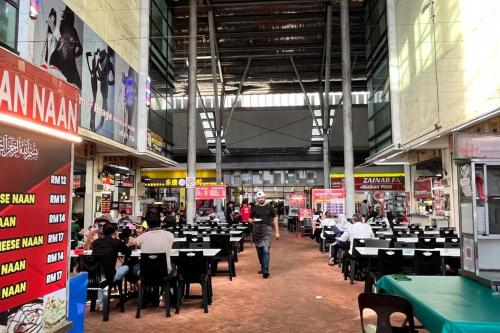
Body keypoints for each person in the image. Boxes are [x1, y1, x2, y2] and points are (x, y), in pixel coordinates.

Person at [91, 222, 131, 310]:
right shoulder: (116, 242)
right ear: (114, 232)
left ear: (102, 231)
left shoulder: (96, 243)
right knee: (126, 267)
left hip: (95, 276)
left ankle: (101, 303)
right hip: (110, 276)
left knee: (102, 273)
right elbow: (128, 252)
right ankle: (104, 300)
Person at [250, 191, 279, 279]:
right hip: (257, 231)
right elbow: (250, 218)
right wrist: (251, 221)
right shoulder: (254, 208)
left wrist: (277, 231)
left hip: (267, 230)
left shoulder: (270, 207)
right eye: (259, 198)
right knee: (259, 251)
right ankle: (263, 266)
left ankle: (265, 270)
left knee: (266, 250)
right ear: (257, 199)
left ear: (264, 198)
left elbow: (275, 219)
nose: (260, 199)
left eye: (262, 198)